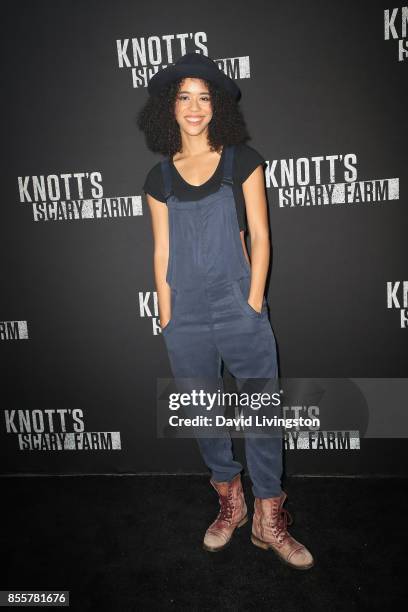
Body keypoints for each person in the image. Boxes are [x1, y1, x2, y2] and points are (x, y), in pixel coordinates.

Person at [137, 52, 314, 570]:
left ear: (218, 106)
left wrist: (254, 300)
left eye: (204, 96)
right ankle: (230, 503)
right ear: (169, 108)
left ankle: (268, 516)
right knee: (203, 412)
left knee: (262, 411)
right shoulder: (158, 178)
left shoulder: (243, 160)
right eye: (184, 97)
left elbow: (260, 236)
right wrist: (167, 315)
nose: (194, 107)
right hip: (184, 314)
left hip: (239, 305)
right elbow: (161, 251)